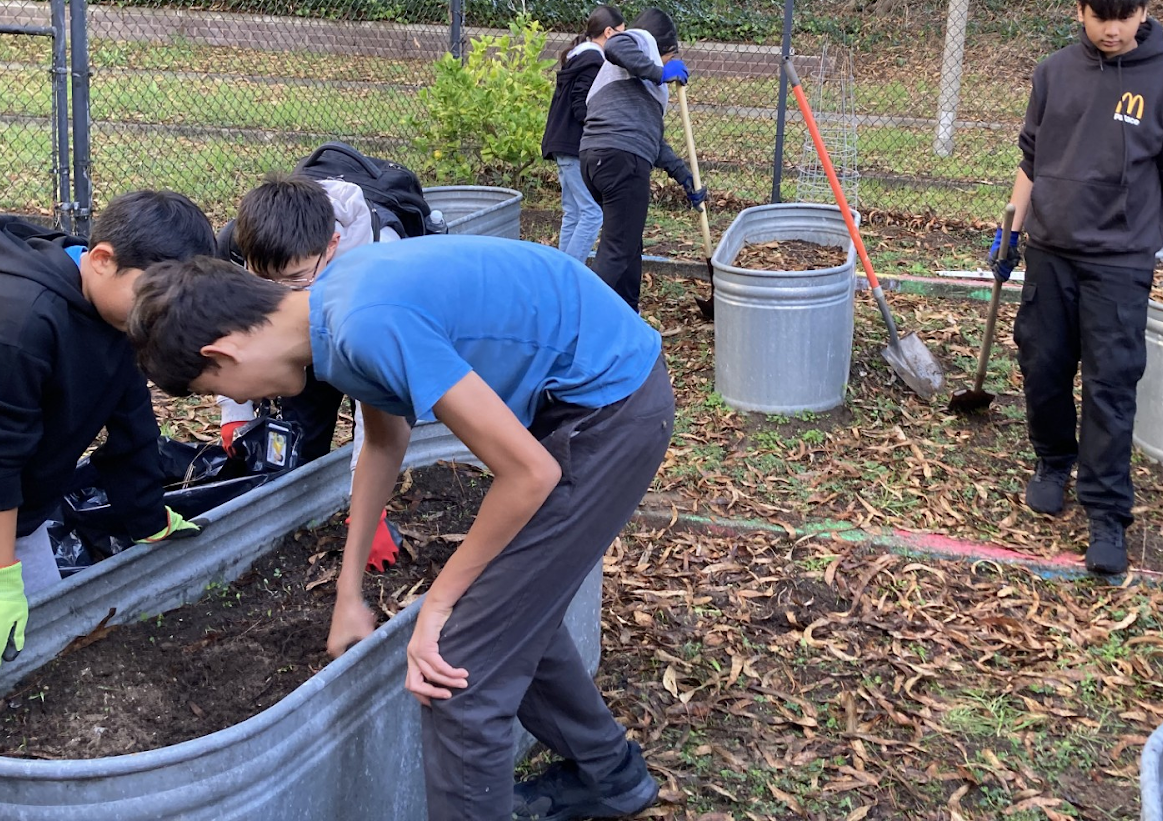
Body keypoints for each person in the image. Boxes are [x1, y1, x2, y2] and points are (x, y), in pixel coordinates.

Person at [127, 236, 674, 821]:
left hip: (609, 408)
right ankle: (613, 779)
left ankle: (605, 777)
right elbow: (385, 444)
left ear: (225, 351)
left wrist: (437, 607)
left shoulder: (363, 325)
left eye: (215, 390)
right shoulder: (331, 315)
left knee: (456, 671)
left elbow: (530, 474)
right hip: (582, 399)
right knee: (511, 617)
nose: (236, 402)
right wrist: (348, 592)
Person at [990, 0, 1163, 576]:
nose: (1113, 30)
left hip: (1120, 262)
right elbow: (1032, 158)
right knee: (1044, 365)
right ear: (1079, 13)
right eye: (1101, 18)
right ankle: (1053, 459)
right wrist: (1012, 231)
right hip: (1052, 250)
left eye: (1125, 18)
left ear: (1144, 11)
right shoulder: (1054, 72)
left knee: (1111, 384)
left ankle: (1107, 513)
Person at [0, 191, 215, 661]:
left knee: (40, 647)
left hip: (21, 511)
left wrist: (148, 518)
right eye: (153, 298)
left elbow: (132, 419)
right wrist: (2, 577)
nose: (159, 316)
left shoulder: (121, 317)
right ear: (101, 260)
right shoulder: (23, 322)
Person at [217, 172, 404, 572]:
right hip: (309, 340)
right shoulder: (237, 246)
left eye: (295, 279)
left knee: (376, 423)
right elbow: (231, 326)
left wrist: (369, 511)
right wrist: (235, 414)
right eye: (266, 280)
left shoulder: (377, 262)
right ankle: (303, 506)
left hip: (360, 334)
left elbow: (377, 413)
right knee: (304, 428)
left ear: (331, 246)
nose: (282, 292)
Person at [578, 6, 707, 311]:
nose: (669, 67)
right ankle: (577, 319)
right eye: (670, 57)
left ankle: (626, 314)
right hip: (622, 160)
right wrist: (660, 71)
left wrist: (684, 176)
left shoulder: (634, 86)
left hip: (596, 159)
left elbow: (651, 140)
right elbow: (614, 44)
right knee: (617, 250)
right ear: (661, 48)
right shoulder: (638, 41)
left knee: (628, 244)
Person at [541, 5, 626, 262]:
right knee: (592, 214)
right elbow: (582, 105)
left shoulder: (579, 57)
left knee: (574, 212)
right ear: (609, 32)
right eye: (622, 33)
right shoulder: (593, 62)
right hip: (574, 146)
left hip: (562, 145)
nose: (624, 39)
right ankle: (570, 275)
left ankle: (559, 273)